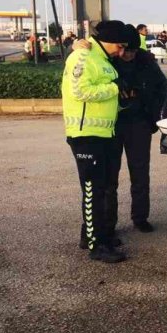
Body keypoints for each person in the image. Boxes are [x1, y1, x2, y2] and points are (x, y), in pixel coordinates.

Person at [62, 20, 130, 264]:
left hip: (104, 134)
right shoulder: (82, 57)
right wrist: (113, 88)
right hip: (86, 135)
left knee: (103, 188)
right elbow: (79, 91)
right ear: (108, 41)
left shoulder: (100, 58)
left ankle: (95, 234)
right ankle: (96, 245)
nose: (121, 52)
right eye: (120, 47)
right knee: (92, 191)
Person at [105, 24, 167, 234]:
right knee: (109, 176)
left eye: (132, 51)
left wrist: (154, 111)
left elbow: (162, 86)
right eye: (126, 51)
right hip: (113, 123)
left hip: (139, 123)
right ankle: (109, 222)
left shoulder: (146, 61)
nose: (128, 55)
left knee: (140, 173)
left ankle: (140, 217)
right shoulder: (109, 60)